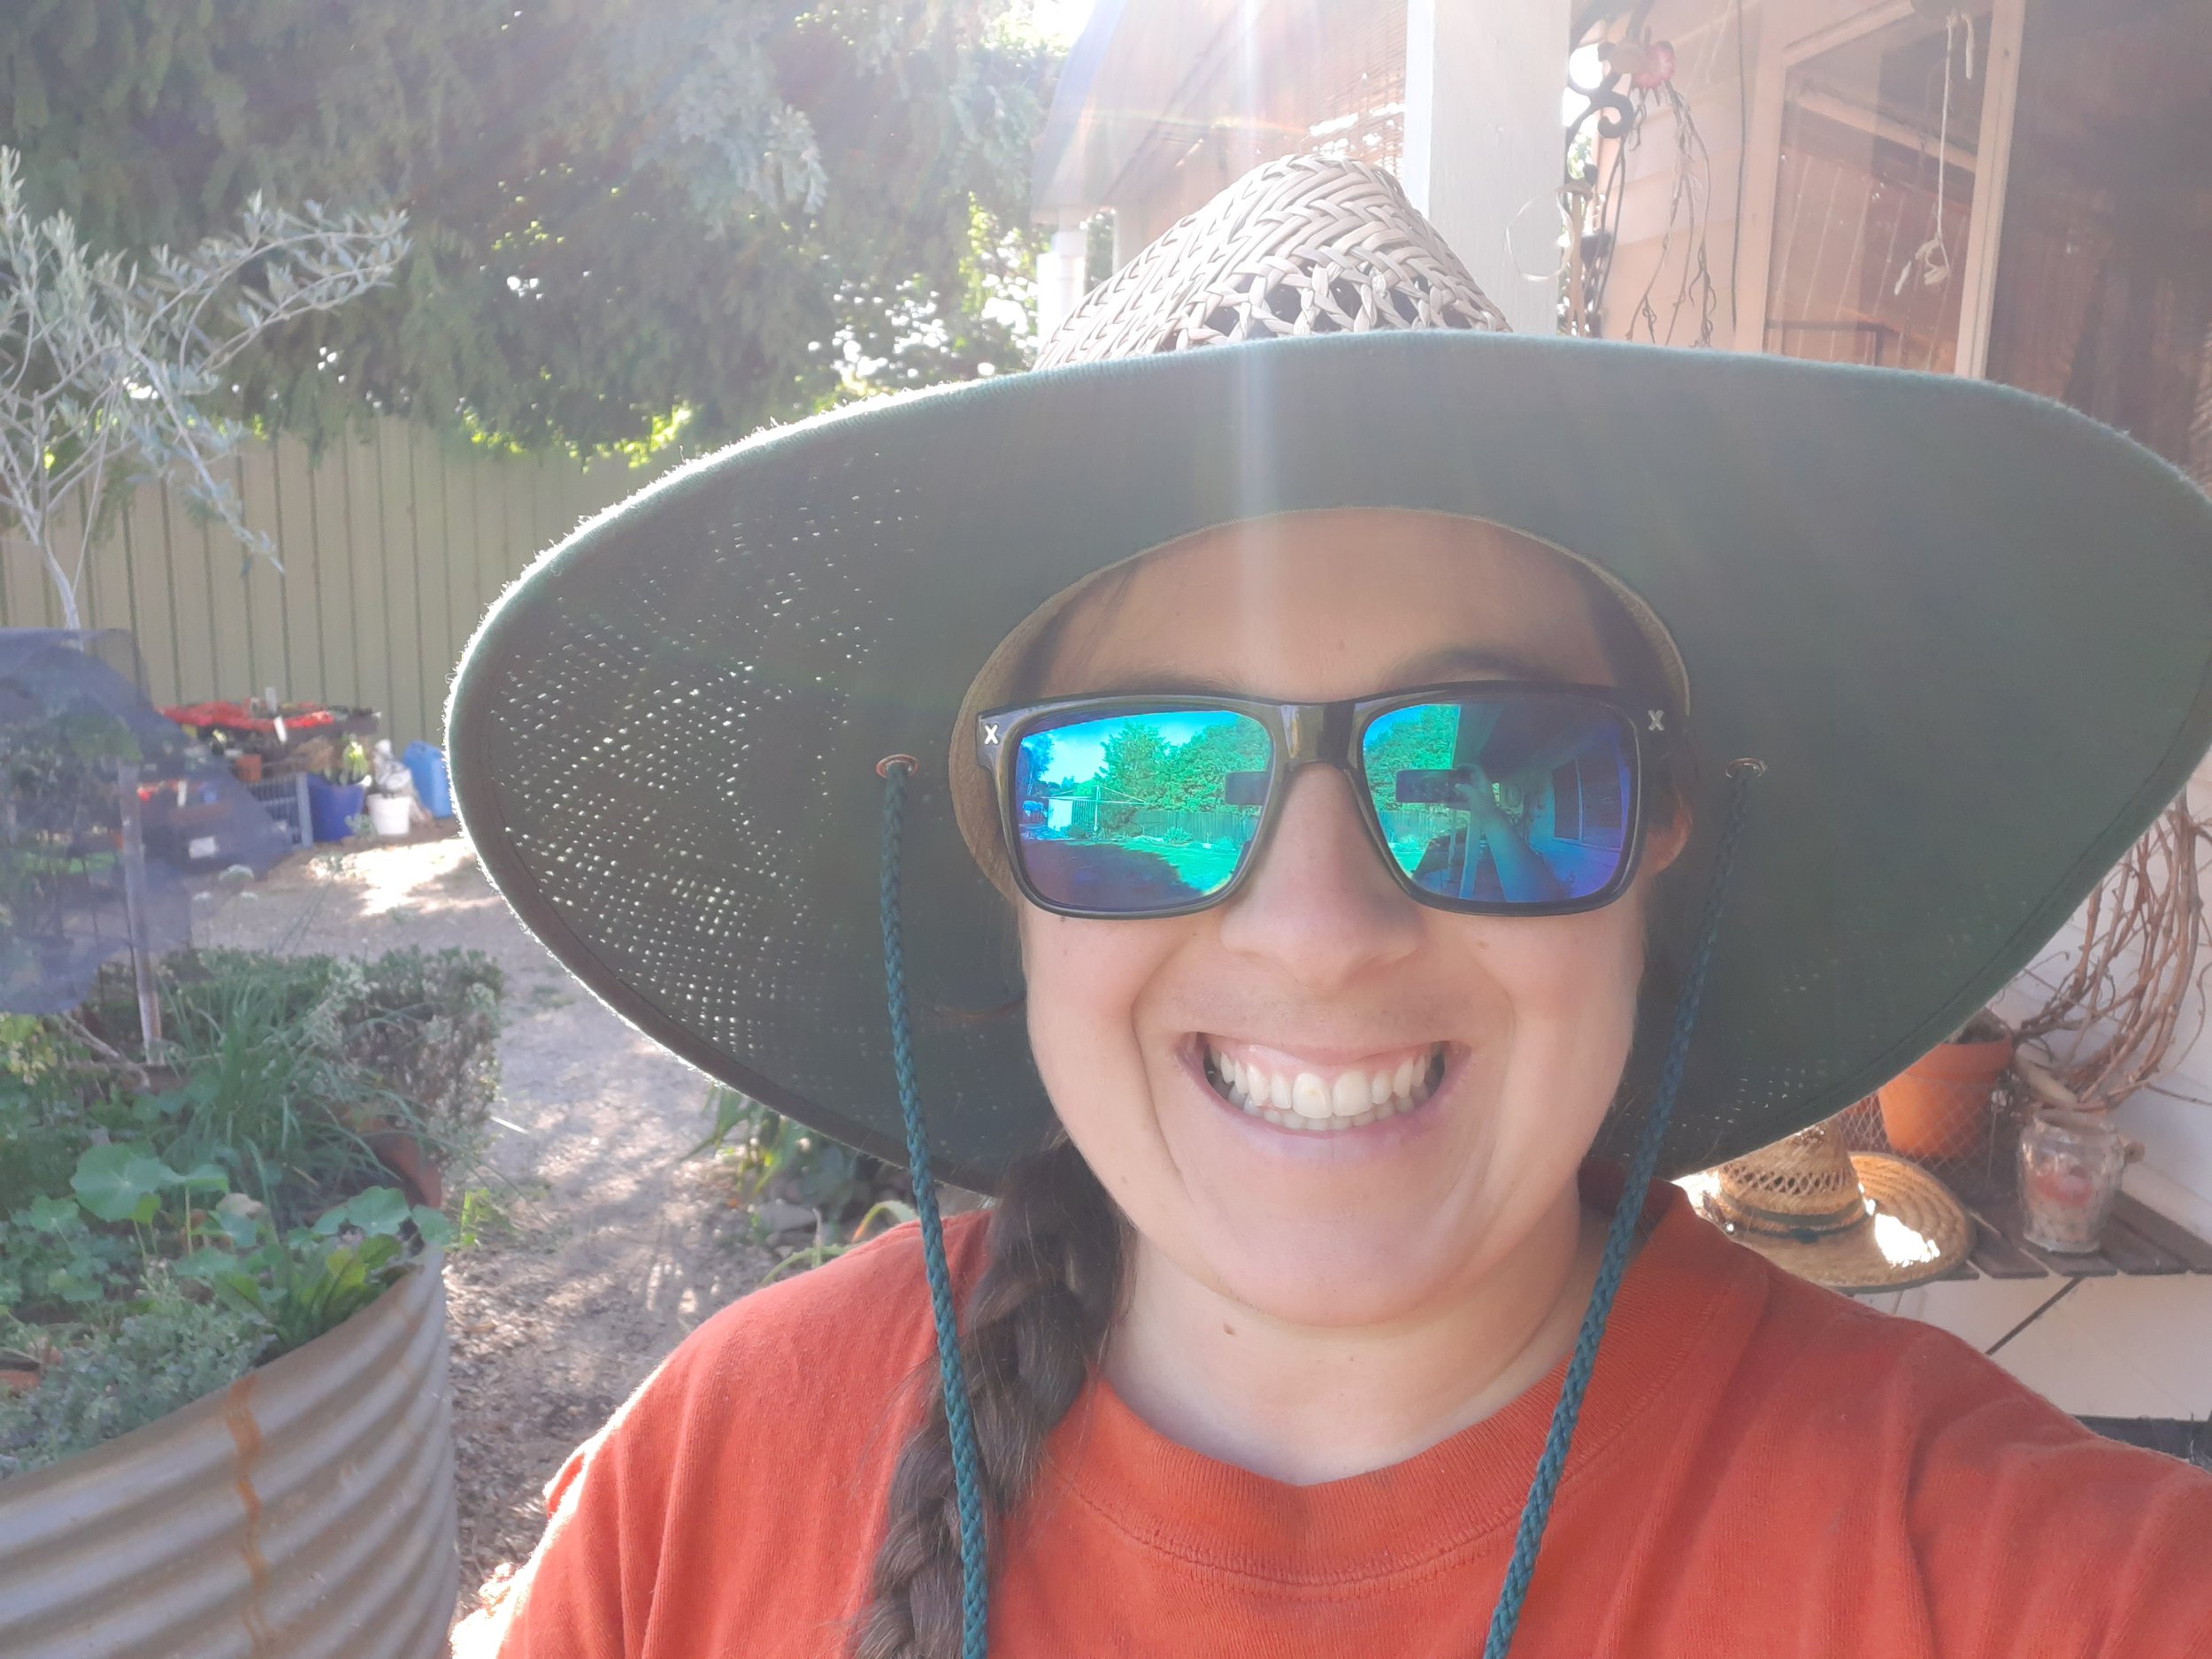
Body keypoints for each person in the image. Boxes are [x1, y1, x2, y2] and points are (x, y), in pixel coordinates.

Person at [449, 157, 2212, 1657]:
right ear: (998, 852)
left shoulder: (2000, 1577)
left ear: (1662, 823)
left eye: (1489, 766)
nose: (1316, 926)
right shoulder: (692, 1503)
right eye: (1142, 774)